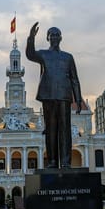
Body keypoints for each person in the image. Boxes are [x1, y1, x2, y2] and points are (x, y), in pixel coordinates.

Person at [26, 22, 82, 169]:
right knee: (51, 129)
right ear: (48, 38)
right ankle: (52, 162)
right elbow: (30, 54)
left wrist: (78, 100)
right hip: (48, 95)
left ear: (61, 38)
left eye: (57, 35)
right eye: (52, 35)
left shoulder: (68, 57)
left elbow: (74, 79)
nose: (55, 37)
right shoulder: (44, 54)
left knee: (65, 129)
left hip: (64, 95)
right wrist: (31, 37)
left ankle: (65, 162)